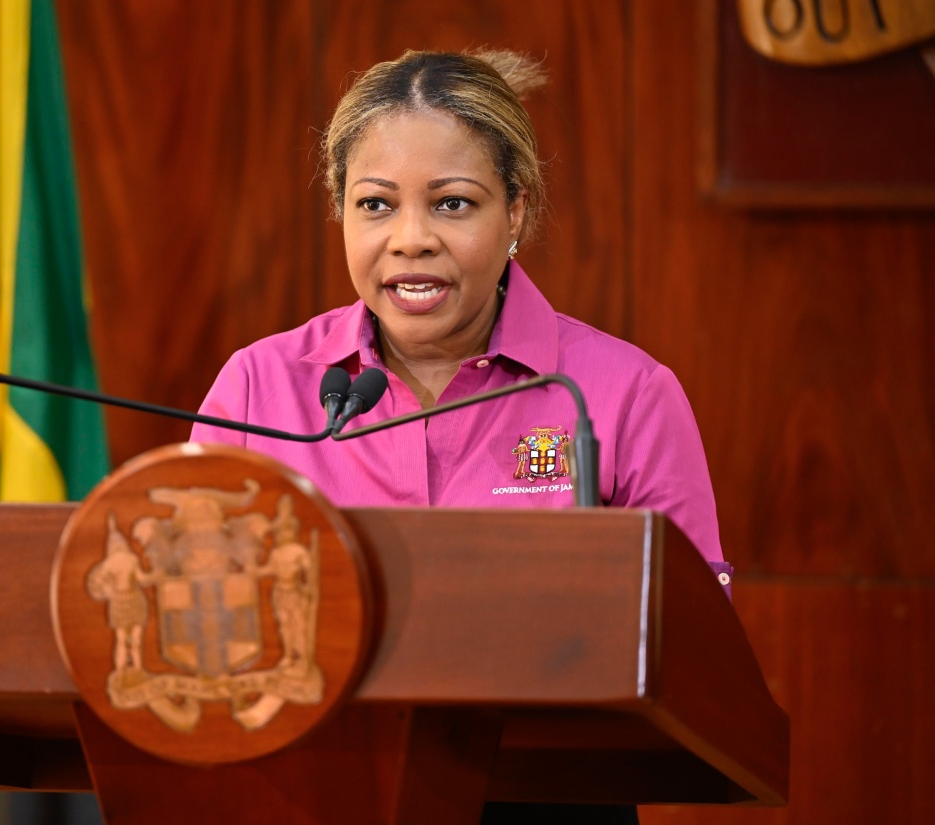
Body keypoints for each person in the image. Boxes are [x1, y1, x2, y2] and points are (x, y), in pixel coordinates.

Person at [191, 49, 730, 824]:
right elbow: (187, 609)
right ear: (340, 209)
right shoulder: (258, 387)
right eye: (376, 205)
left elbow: (699, 654)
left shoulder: (623, 396)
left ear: (515, 210)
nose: (410, 238)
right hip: (305, 793)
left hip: (546, 799)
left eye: (451, 204)